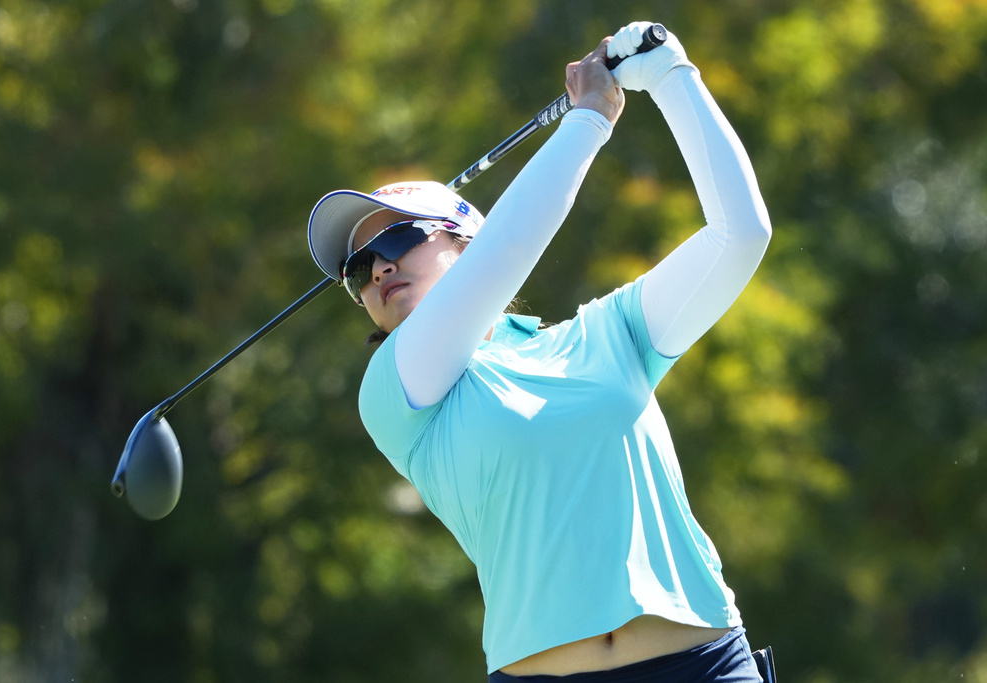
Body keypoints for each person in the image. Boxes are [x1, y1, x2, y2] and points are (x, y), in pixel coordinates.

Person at [307, 21, 773, 683]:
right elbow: (505, 255)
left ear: (462, 237)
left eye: (398, 241)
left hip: (704, 663)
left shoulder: (607, 335)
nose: (377, 270)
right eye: (358, 269)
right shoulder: (397, 392)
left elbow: (739, 235)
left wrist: (673, 77)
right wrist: (589, 119)